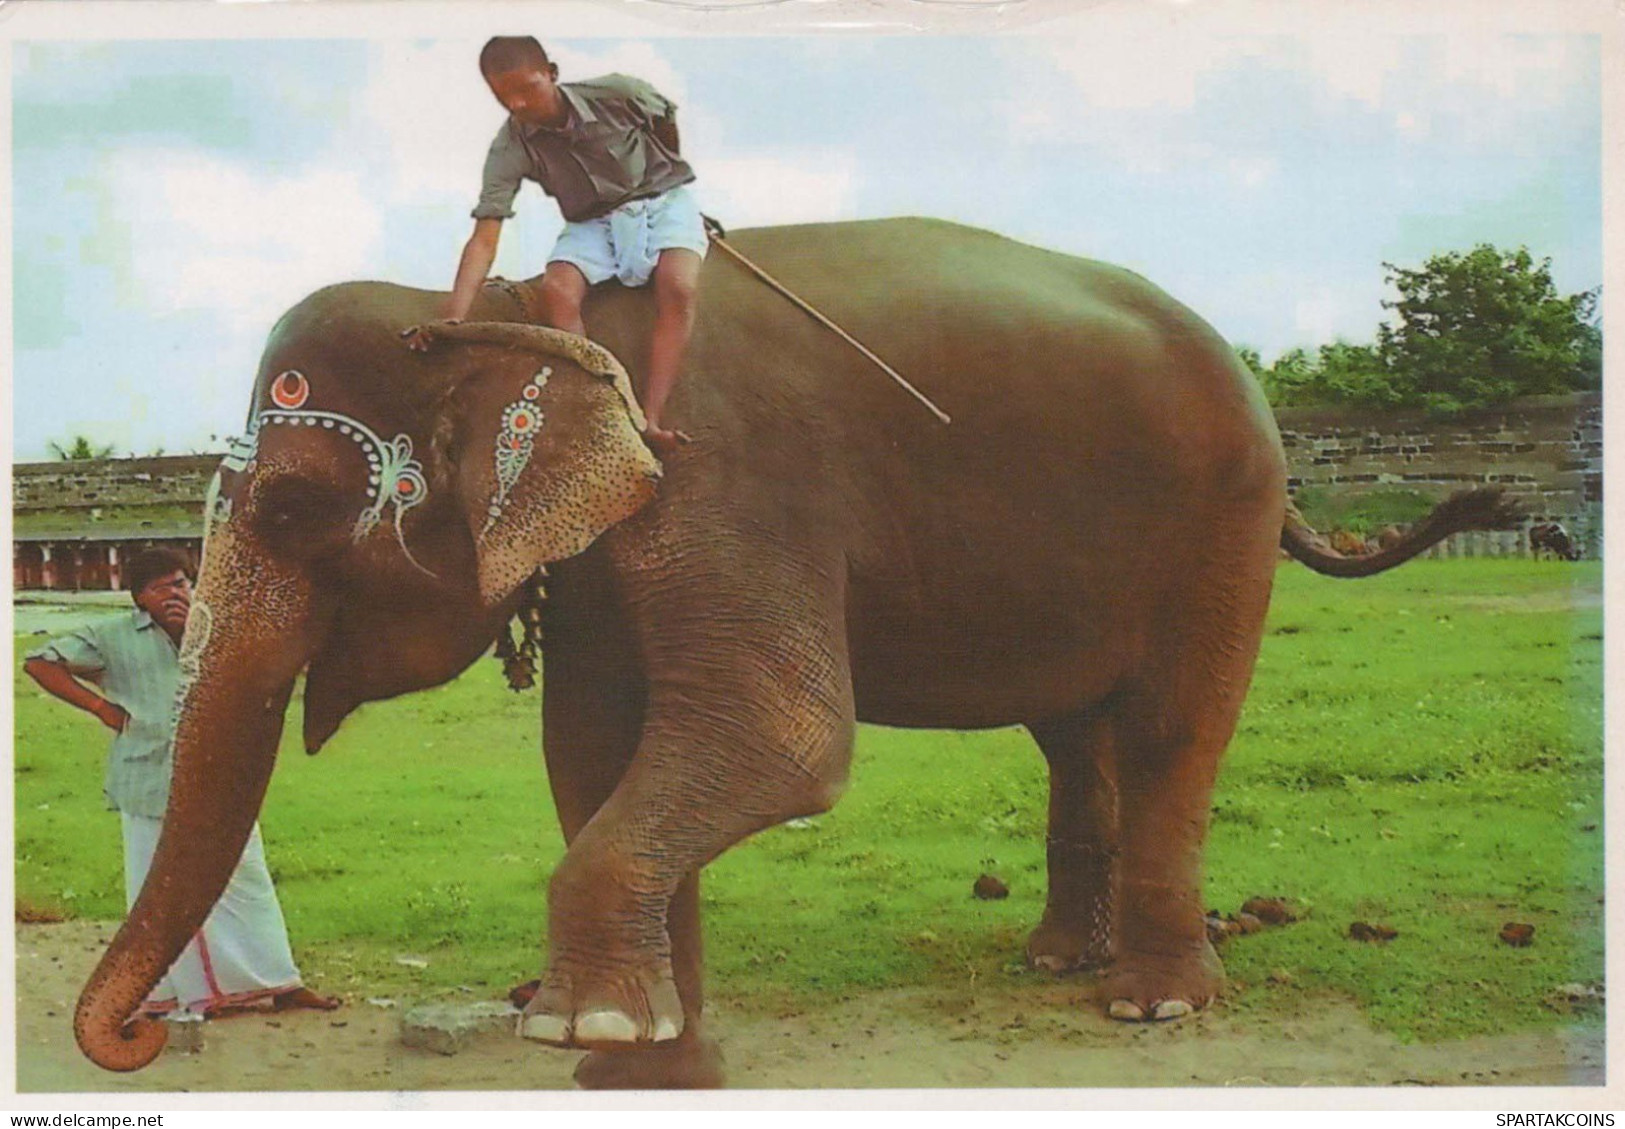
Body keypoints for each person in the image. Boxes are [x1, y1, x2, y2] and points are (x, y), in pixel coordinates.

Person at [23, 548, 338, 1019]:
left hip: (220, 777)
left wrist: (197, 630)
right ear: (140, 597)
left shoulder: (216, 631)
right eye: (162, 587)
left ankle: (279, 982)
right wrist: (102, 709)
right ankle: (171, 993)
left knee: (246, 875)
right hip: (149, 779)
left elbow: (280, 666)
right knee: (158, 886)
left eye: (182, 583)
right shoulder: (111, 637)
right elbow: (40, 661)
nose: (177, 593)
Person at [410, 34, 707, 457]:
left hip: (661, 199)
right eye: (502, 95)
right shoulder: (509, 146)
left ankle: (651, 417)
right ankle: (602, 409)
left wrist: (667, 171)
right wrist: (454, 319)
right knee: (558, 291)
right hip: (590, 221)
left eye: (525, 88)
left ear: (552, 74)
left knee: (678, 286)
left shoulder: (618, 93)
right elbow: (485, 237)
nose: (516, 104)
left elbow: (664, 120)